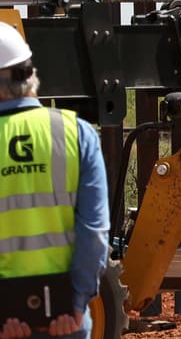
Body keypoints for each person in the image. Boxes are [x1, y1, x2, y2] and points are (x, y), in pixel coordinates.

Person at [0, 22, 109, 339]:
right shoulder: (76, 134)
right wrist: (76, 304)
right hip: (66, 320)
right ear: (30, 73)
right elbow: (95, 232)